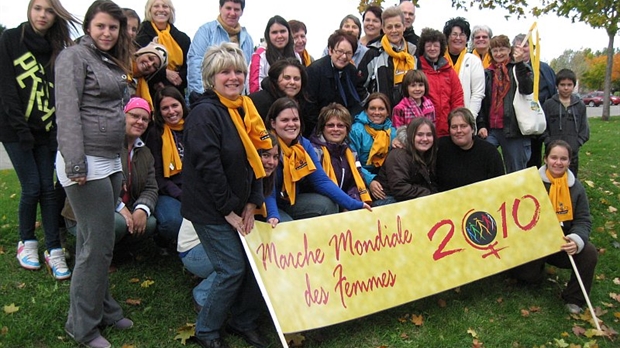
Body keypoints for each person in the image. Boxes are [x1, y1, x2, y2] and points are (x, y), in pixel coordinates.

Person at [55, 1, 135, 346]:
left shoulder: (109, 60)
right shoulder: (73, 57)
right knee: (97, 245)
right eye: (100, 26)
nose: (107, 33)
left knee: (95, 241)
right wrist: (75, 164)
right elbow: (68, 112)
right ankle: (82, 327)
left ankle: (103, 308)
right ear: (88, 26)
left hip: (109, 158)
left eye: (113, 28)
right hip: (84, 162)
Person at [182, 42, 272, 348]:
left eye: (238, 71)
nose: (233, 77)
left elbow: (258, 158)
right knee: (231, 267)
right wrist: (228, 211)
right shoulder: (205, 114)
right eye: (225, 71)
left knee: (254, 263)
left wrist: (252, 201)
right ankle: (206, 330)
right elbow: (209, 169)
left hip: (239, 203)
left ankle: (242, 320)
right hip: (211, 209)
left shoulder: (245, 108)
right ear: (211, 77)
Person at [0, 0, 77, 278]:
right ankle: (27, 242)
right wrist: (22, 132)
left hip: (47, 131)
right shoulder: (10, 39)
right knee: (32, 187)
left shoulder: (59, 49)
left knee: (48, 188)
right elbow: (7, 88)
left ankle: (54, 249)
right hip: (15, 130)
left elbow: (62, 94)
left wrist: (56, 132)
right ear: (29, 10)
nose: (43, 15)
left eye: (49, 10)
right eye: (38, 8)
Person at [178, 134, 280, 313]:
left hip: (216, 242)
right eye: (265, 155)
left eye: (275, 156)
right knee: (246, 258)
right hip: (194, 250)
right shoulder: (239, 180)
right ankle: (202, 294)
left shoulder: (259, 179)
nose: (271, 161)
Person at [511, 140, 597, 315]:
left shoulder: (576, 188)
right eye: (554, 157)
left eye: (563, 159)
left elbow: (583, 220)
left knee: (589, 253)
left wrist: (576, 240)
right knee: (527, 277)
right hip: (535, 240)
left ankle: (575, 298)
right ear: (545, 159)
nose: (558, 162)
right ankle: (531, 273)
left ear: (569, 161)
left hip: (562, 242)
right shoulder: (531, 182)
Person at [265, 97, 371, 222]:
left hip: (290, 200)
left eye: (295, 119)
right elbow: (266, 189)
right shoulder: (266, 144)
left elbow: (321, 181)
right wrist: (272, 214)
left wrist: (353, 204)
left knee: (328, 204)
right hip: (266, 203)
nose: (291, 124)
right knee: (286, 226)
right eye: (285, 120)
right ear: (273, 123)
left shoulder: (304, 145)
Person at [477, 34, 534, 174]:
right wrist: (482, 124)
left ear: (509, 50)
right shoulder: (487, 73)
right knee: (481, 162)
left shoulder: (519, 68)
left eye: (502, 49)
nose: (499, 54)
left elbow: (527, 89)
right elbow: (482, 101)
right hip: (492, 129)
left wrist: (520, 63)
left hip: (513, 129)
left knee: (516, 170)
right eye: (495, 50)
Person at [145, 86, 186, 250]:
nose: (171, 111)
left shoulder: (194, 127)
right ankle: (162, 239)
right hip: (168, 191)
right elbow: (157, 176)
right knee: (173, 222)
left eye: (174, 105)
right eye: (165, 108)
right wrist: (181, 195)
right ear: (159, 111)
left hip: (196, 189)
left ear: (182, 105)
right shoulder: (155, 133)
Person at [306, 30, 367, 136]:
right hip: (317, 128)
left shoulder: (352, 71)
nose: (344, 57)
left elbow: (355, 103)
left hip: (343, 128)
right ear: (330, 50)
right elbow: (309, 106)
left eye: (348, 53)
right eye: (340, 51)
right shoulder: (315, 70)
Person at [187, 0, 253, 96]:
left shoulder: (247, 38)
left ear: (242, 12)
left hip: (236, 99)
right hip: (209, 99)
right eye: (228, 8)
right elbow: (195, 66)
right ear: (220, 8)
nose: (232, 13)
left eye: (237, 9)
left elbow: (248, 72)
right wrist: (199, 97)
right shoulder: (205, 31)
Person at [309, 103, 371, 204]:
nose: (335, 129)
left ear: (347, 130)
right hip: (322, 204)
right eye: (330, 125)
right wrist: (345, 203)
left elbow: (355, 183)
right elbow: (313, 185)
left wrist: (352, 201)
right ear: (322, 128)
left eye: (341, 125)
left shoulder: (351, 153)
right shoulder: (314, 151)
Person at [513, 33, 558, 169]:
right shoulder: (512, 67)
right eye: (518, 46)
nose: (522, 49)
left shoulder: (544, 68)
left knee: (536, 157)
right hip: (521, 121)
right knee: (522, 159)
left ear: (532, 48)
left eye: (525, 45)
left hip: (541, 119)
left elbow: (552, 91)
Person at [358, 6, 417, 109]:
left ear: (404, 27)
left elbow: (420, 84)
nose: (394, 30)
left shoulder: (413, 52)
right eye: (389, 27)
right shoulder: (373, 53)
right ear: (383, 29)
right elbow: (358, 85)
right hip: (380, 117)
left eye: (397, 26)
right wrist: (372, 105)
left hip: (408, 115)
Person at [436, 108, 504, 191]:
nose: (459, 130)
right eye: (454, 127)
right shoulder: (440, 148)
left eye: (463, 126)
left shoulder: (489, 152)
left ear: (472, 129)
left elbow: (499, 185)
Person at [374, 117, 438, 204]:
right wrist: (430, 194)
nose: (425, 139)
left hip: (411, 197)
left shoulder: (427, 153)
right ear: (411, 135)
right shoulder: (398, 155)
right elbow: (400, 188)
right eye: (420, 135)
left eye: (429, 135)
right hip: (389, 201)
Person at [417, 28, 464, 137]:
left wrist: (456, 121)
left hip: (446, 126)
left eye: (436, 45)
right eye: (428, 45)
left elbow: (457, 97)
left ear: (441, 47)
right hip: (424, 127)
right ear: (423, 47)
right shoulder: (418, 69)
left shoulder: (449, 70)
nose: (432, 48)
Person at [136, 0, 190, 96]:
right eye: (156, 6)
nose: (161, 10)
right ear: (149, 10)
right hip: (147, 90)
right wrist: (164, 73)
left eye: (165, 6)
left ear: (171, 10)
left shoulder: (183, 38)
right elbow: (137, 63)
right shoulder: (140, 34)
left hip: (176, 90)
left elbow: (189, 67)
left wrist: (167, 84)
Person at [349, 92, 397, 201]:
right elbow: (353, 161)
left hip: (385, 177)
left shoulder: (393, 132)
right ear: (366, 110)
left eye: (381, 109)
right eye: (372, 108)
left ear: (388, 112)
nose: (377, 112)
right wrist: (370, 181)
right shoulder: (356, 131)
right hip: (361, 176)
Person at [542, 69, 589, 177]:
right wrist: (548, 141)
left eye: (569, 84)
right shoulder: (549, 104)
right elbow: (543, 127)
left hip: (572, 153)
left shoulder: (580, 106)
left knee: (570, 181)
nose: (566, 88)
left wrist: (577, 143)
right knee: (550, 180)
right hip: (552, 153)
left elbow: (584, 129)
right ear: (557, 86)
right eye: (562, 85)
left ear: (574, 86)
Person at [443, 17, 485, 118]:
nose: (458, 38)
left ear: (466, 38)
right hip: (441, 118)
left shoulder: (473, 61)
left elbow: (477, 94)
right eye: (454, 34)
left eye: (462, 35)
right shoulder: (439, 59)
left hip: (465, 119)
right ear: (447, 37)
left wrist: (469, 118)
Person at [249, 57, 309, 127]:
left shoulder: (305, 103)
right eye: (287, 78)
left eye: (296, 79)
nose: (292, 82)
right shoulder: (258, 101)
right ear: (276, 80)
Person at [248, 15, 299, 93]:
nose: (279, 36)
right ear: (268, 35)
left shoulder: (296, 55)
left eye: (282, 31)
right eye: (274, 32)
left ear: (289, 32)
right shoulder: (260, 56)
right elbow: (254, 89)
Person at [130, 41, 168, 109]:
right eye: (150, 58)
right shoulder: (117, 65)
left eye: (154, 66)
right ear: (141, 53)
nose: (150, 64)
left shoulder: (141, 87)